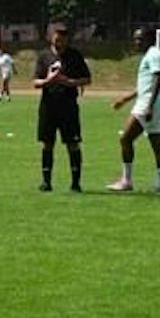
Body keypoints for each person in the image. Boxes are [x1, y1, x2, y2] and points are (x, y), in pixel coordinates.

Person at [108, 26, 160, 193]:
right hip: (157, 104)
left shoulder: (153, 55)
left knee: (126, 139)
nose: (136, 42)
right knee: (157, 143)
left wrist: (149, 106)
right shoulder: (152, 55)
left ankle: (126, 180)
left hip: (148, 104)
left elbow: (158, 77)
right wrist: (126, 99)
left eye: (139, 39)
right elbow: (147, 84)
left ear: (149, 39)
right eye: (135, 39)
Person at [33, 23, 91, 192]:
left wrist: (69, 82)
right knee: (47, 143)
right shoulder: (44, 57)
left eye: (63, 39)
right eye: (57, 38)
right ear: (51, 37)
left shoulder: (74, 56)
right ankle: (46, 182)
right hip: (48, 106)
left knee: (73, 144)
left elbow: (87, 79)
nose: (60, 42)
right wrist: (48, 80)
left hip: (69, 106)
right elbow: (35, 82)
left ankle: (75, 183)